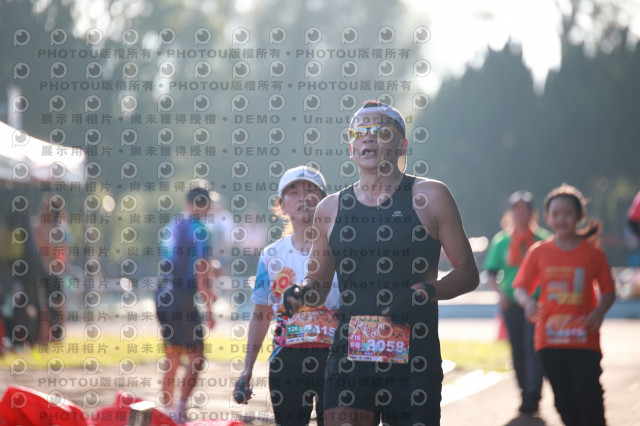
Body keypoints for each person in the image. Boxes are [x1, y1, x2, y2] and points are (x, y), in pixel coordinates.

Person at [283, 101, 479, 425]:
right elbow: (317, 283)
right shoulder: (329, 208)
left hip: (414, 360)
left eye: (381, 131)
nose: (369, 137)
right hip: (350, 360)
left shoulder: (430, 196)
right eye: (360, 132)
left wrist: (424, 292)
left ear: (402, 145)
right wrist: (302, 293)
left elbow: (467, 272)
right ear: (351, 148)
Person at [233, 166, 340, 426]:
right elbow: (261, 313)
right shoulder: (271, 255)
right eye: (294, 193)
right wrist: (247, 369)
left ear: (325, 201)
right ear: (281, 205)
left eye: (311, 191)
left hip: (335, 358)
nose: (303, 198)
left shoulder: (342, 249)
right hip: (287, 360)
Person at [513, 184, 616, 426]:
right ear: (547, 217)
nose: (561, 219)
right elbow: (520, 288)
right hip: (549, 340)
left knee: (589, 397)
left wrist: (599, 311)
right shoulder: (539, 252)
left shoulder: (593, 254)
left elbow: (609, 292)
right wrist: (528, 303)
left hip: (584, 339)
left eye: (567, 213)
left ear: (580, 216)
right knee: (564, 402)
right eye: (555, 214)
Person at [484, 190, 551, 414]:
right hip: (511, 303)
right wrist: (500, 294)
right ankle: (524, 391)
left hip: (535, 303)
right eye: (516, 210)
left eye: (524, 210)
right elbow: (491, 273)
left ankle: (533, 394)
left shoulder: (543, 240)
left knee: (533, 348)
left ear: (532, 213)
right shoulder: (502, 241)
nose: (519, 215)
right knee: (518, 350)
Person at [155, 182, 218, 421]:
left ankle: (167, 409)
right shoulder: (201, 230)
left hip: (162, 296)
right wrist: (209, 309)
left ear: (186, 202)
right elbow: (200, 269)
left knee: (173, 355)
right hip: (184, 298)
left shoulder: (172, 225)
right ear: (207, 204)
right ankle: (180, 409)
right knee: (196, 356)